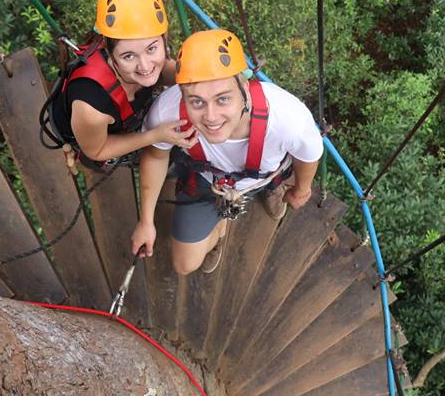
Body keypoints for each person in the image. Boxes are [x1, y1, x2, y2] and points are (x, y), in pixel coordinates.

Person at [130, 29, 323, 274]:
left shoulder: (287, 118)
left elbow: (308, 155)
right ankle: (219, 229)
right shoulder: (167, 112)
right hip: (206, 181)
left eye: (222, 99)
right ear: (182, 95)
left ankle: (271, 190)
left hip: (264, 175)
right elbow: (155, 155)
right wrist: (146, 220)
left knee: (272, 175)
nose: (210, 117)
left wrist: (301, 190)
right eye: (196, 101)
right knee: (184, 265)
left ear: (244, 87)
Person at [41, 0, 197, 171]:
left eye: (152, 49)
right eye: (128, 56)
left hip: (124, 116)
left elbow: (169, 71)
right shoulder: (92, 106)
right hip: (98, 138)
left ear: (164, 38)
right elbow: (97, 151)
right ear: (109, 51)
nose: (145, 66)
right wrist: (155, 136)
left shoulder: (145, 61)